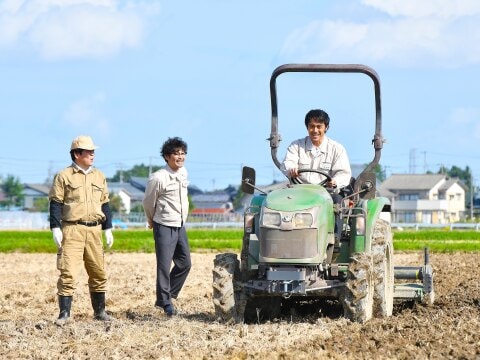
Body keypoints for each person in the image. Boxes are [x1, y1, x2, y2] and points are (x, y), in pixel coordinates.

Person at [49, 135, 114, 326]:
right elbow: (56, 203)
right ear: (77, 154)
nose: (93, 154)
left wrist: (108, 228)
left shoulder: (99, 176)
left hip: (94, 231)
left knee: (98, 272)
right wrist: (55, 227)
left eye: (93, 151)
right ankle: (64, 314)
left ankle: (100, 312)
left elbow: (105, 203)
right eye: (89, 151)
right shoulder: (64, 176)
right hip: (72, 230)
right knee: (68, 272)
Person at [280, 109, 352, 241]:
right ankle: (282, 237)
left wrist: (335, 181)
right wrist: (291, 169)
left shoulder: (336, 149)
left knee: (337, 201)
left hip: (326, 192)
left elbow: (344, 173)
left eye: (319, 127)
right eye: (312, 126)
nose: (315, 130)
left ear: (326, 128)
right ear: (307, 127)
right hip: (299, 191)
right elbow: (287, 163)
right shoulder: (296, 146)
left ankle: (334, 239)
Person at [143, 137, 192, 317]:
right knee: (164, 265)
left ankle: (167, 295)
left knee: (185, 263)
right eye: (176, 153)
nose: (180, 157)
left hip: (179, 224)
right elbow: (148, 202)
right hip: (163, 224)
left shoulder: (183, 173)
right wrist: (151, 220)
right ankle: (166, 303)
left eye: (183, 153)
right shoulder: (158, 177)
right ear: (166, 156)